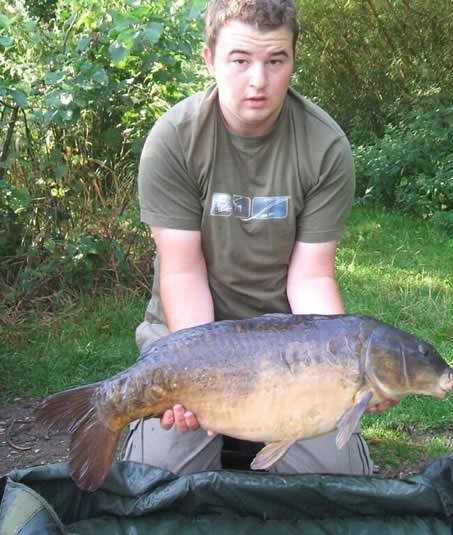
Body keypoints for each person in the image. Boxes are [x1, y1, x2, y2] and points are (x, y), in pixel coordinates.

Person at [122, 0, 394, 476]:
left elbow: (311, 276)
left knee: (335, 479)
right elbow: (183, 271)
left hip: (289, 351)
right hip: (191, 339)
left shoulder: (325, 146)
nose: (258, 81)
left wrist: (348, 366)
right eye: (240, 59)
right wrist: (194, 372)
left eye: (275, 61)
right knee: (156, 480)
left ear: (293, 59)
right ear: (209, 59)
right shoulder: (174, 139)